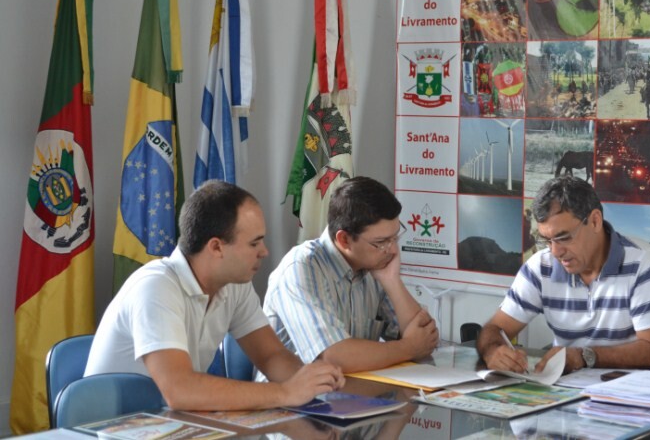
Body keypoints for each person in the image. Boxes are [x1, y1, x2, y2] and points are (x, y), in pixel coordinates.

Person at [84, 180, 344, 411]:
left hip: (167, 424)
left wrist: (313, 380)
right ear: (217, 247)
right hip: (107, 429)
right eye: (254, 243)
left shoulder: (234, 284)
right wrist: (285, 392)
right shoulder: (155, 287)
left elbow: (270, 356)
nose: (264, 251)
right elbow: (180, 390)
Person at [477, 176, 650, 374]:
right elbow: (494, 328)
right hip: (570, 386)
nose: (555, 251)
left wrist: (584, 357)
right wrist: (492, 351)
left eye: (564, 237)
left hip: (640, 386)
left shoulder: (643, 262)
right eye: (546, 240)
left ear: (595, 221)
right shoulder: (540, 267)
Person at [261, 176, 439, 375]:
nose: (392, 250)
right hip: (290, 392)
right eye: (381, 242)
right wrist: (408, 348)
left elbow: (425, 336)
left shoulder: (375, 265)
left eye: (395, 237)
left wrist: (392, 281)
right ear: (344, 239)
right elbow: (333, 357)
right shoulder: (301, 268)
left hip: (351, 389)